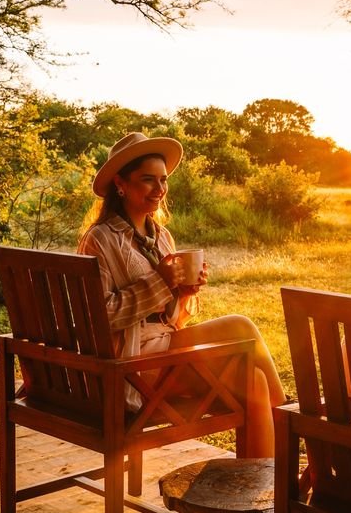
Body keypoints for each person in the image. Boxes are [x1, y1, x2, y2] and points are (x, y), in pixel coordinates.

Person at [79, 132, 286, 457]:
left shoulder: (162, 237)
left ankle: (261, 494)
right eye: (148, 180)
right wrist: (161, 283)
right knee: (240, 326)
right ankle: (291, 422)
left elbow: (174, 320)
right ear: (121, 183)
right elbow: (99, 317)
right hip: (128, 364)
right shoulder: (101, 240)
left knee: (254, 381)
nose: (160, 189)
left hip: (163, 351)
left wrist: (184, 293)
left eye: (163, 180)